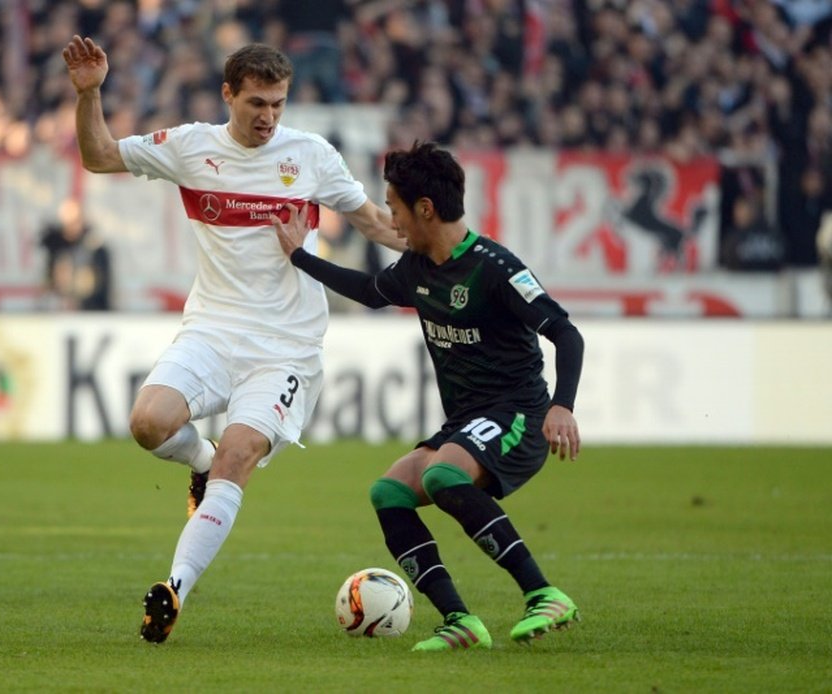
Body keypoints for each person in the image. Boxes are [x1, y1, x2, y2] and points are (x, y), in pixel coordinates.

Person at [62, 35, 401, 644]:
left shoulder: (312, 156)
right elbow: (99, 156)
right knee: (146, 424)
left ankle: (174, 589)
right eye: (256, 103)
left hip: (285, 348)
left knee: (239, 453)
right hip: (212, 331)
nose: (268, 116)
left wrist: (450, 254)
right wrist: (90, 95)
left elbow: (372, 220)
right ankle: (198, 462)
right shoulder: (191, 146)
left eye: (277, 103)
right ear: (228, 95)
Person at [273, 141, 585, 651]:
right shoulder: (418, 267)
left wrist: (562, 406)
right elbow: (373, 292)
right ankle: (460, 620)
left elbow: (566, 334)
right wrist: (301, 258)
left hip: (518, 415)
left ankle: (544, 594)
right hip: (467, 421)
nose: (391, 223)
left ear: (425, 208)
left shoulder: (495, 267)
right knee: (389, 493)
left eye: (395, 209)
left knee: (444, 474)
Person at [38, 198, 112, 311]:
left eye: (77, 220)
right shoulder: (53, 247)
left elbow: (100, 284)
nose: (74, 225)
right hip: (57, 308)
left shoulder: (94, 248)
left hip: (89, 309)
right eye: (70, 221)